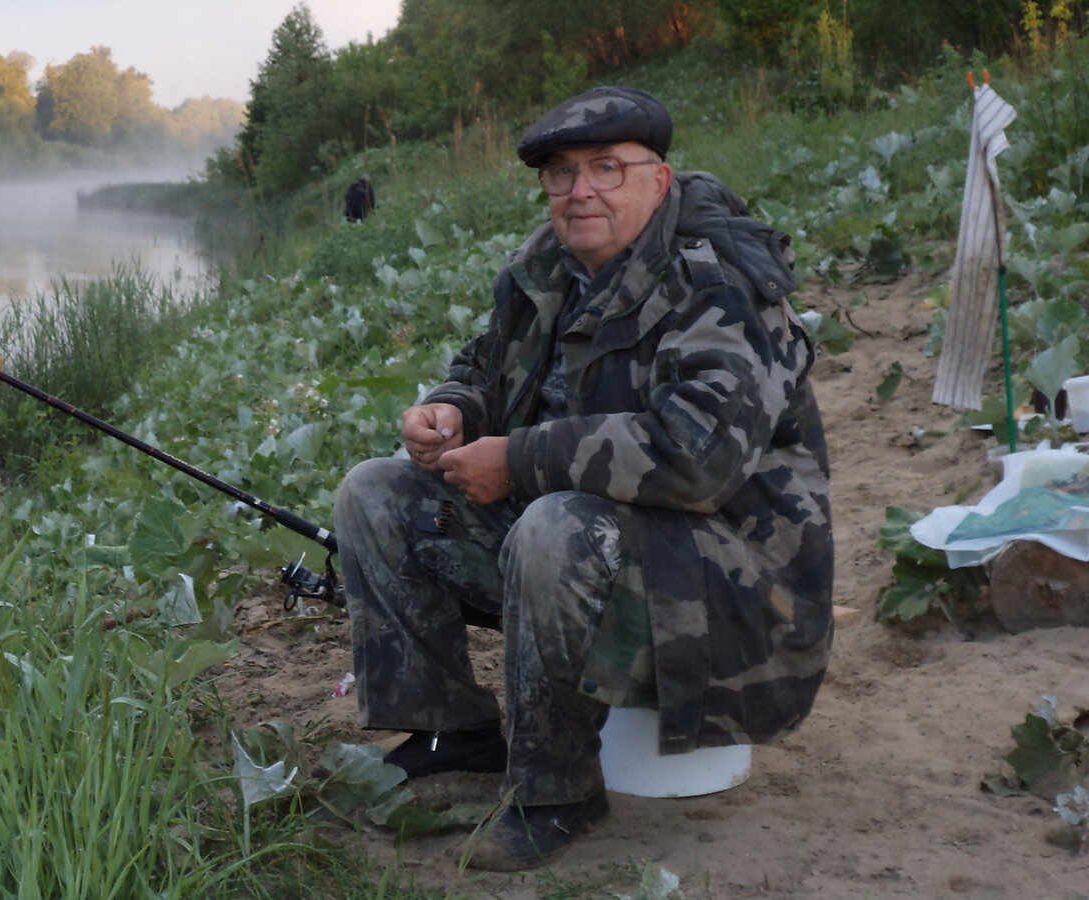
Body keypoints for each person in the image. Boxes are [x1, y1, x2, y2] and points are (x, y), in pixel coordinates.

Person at [333, 86, 833, 871]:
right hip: (600, 551)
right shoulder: (548, 266)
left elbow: (698, 458)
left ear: (658, 180)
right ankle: (450, 730)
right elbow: (483, 366)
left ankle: (557, 792)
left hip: (734, 587)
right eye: (562, 174)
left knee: (556, 523)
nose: (582, 191)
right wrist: (452, 411)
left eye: (607, 167)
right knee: (376, 492)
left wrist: (520, 460)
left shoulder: (719, 281)